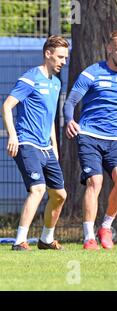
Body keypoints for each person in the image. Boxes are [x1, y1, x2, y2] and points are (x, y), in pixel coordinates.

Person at [63, 30, 117, 250]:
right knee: (94, 182)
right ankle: (88, 237)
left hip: (116, 140)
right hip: (89, 136)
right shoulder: (91, 73)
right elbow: (70, 102)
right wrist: (69, 120)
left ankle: (105, 227)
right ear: (109, 48)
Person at [2, 36, 69, 251]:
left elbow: (49, 117)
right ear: (47, 54)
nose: (63, 62)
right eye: (60, 57)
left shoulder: (56, 83)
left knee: (60, 195)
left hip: (46, 147)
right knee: (38, 189)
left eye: (65, 58)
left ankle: (46, 239)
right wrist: (12, 135)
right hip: (26, 142)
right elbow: (6, 106)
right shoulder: (30, 79)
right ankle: (19, 241)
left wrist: (54, 148)